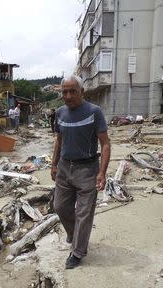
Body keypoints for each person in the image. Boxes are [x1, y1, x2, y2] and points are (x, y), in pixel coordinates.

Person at [51, 75, 111, 269]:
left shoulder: (95, 112)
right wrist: (53, 164)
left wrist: (102, 173)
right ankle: (73, 233)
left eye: (72, 91)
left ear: (81, 92)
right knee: (60, 206)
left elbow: (105, 143)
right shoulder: (60, 113)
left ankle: (77, 252)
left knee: (84, 213)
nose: (68, 96)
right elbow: (59, 140)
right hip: (64, 168)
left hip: (87, 169)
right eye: (64, 92)